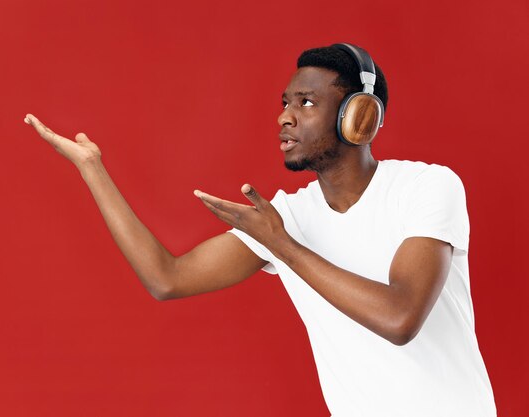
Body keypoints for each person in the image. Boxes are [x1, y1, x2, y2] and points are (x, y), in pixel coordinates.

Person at [24, 43, 496, 416]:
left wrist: (282, 247)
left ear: (359, 117)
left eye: (306, 102)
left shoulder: (426, 186)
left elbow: (400, 318)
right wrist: (92, 170)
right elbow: (166, 278)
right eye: (285, 102)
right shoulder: (285, 219)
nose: (284, 116)